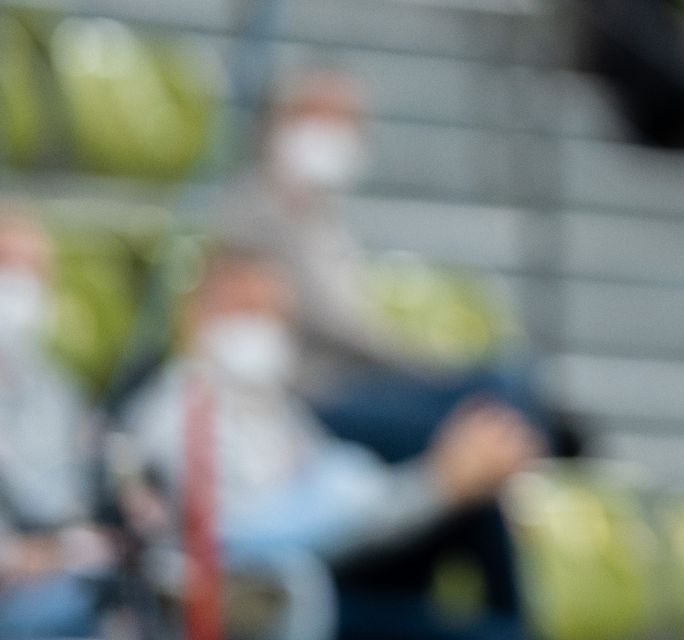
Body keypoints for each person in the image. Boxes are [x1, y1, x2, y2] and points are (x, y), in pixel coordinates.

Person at [121, 247, 541, 640]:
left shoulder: (269, 402)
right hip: (277, 599)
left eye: (271, 314)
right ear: (192, 316)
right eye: (242, 310)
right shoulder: (177, 414)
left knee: (482, 489)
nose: (259, 329)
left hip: (335, 564)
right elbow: (246, 542)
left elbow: (337, 479)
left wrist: (443, 485)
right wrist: (434, 487)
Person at [216, 71, 551, 464]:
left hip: (357, 383)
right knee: (493, 402)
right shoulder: (262, 212)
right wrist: (428, 364)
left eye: (346, 122)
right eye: (319, 117)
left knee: (504, 391)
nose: (334, 134)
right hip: (319, 394)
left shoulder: (320, 216)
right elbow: (340, 326)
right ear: (281, 121)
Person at [0, 209, 118, 639]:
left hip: (58, 572)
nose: (20, 286)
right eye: (6, 266)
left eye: (33, 272)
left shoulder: (53, 387)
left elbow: (75, 488)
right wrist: (33, 557)